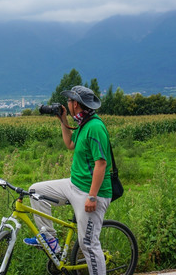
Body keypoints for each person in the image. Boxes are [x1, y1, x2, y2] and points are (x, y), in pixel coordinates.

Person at [23, 85, 112, 275]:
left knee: (88, 244)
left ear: (77, 105)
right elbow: (70, 144)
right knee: (35, 191)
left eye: (70, 101)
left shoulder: (95, 127)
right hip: (74, 184)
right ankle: (50, 241)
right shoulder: (83, 123)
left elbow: (101, 164)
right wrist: (62, 119)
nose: (67, 104)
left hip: (91, 192)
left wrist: (93, 197)